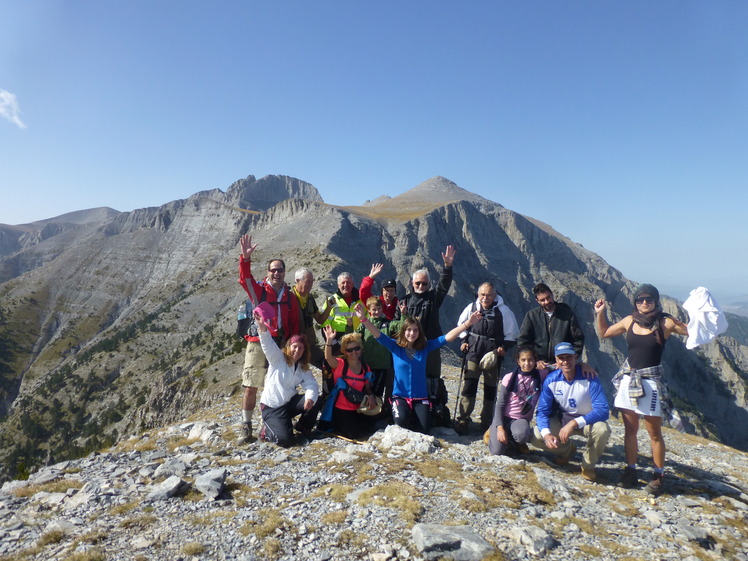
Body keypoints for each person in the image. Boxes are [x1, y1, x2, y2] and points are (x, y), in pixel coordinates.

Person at [594, 284, 689, 496]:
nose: (644, 303)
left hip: (652, 382)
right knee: (630, 430)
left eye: (649, 299)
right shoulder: (630, 320)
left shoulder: (665, 322)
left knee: (654, 432)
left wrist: (703, 316)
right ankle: (631, 470)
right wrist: (600, 313)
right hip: (630, 380)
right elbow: (604, 332)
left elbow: (693, 332)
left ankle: (658, 475)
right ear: (635, 302)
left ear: (656, 301)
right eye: (640, 300)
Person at [355, 302, 481, 434]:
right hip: (400, 397)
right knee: (401, 424)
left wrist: (467, 324)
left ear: (419, 332)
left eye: (415, 330)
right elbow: (377, 334)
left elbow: (446, 338)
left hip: (421, 398)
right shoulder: (395, 347)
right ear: (404, 331)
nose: (412, 333)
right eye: (409, 330)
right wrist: (363, 319)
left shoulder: (425, 347)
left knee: (424, 430)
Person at [236, 234, 302, 444]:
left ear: (284, 273)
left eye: (280, 270)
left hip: (281, 343)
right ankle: (246, 427)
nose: (276, 273)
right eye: (273, 270)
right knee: (251, 384)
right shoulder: (259, 291)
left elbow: (292, 324)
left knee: (280, 384)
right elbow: (244, 279)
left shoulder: (290, 297)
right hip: (257, 342)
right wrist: (245, 259)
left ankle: (276, 421)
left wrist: (293, 345)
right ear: (268, 272)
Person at [531, 342, 610, 482]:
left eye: (569, 357)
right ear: (556, 360)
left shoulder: (589, 377)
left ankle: (587, 465)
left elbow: (603, 410)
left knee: (603, 430)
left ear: (575, 357)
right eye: (561, 358)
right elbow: (542, 411)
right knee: (537, 435)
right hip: (563, 419)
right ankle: (567, 450)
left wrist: (574, 423)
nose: (565, 361)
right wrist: (547, 434)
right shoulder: (551, 380)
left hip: (587, 420)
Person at [394, 245, 456, 425]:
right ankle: (407, 410)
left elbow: (444, 285)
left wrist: (448, 267)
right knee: (411, 379)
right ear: (412, 284)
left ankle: (432, 410)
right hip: (409, 349)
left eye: (424, 283)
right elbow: (397, 325)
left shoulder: (433, 298)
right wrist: (404, 315)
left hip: (430, 348)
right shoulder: (404, 301)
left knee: (432, 379)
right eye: (418, 283)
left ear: (429, 284)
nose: (421, 286)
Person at [455, 282, 519, 434]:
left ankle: (487, 421)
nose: (485, 298)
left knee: (490, 389)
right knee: (469, 386)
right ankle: (463, 419)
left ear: (494, 295)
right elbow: (461, 325)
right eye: (482, 294)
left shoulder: (504, 311)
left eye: (489, 294)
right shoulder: (471, 308)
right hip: (473, 351)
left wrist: (503, 347)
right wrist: (464, 342)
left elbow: (512, 333)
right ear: (478, 294)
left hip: (492, 355)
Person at [254, 309, 319, 447]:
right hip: (272, 406)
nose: (297, 351)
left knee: (315, 399)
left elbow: (312, 385)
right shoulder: (278, 358)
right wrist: (262, 327)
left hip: (288, 404)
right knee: (285, 441)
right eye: (295, 347)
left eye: (301, 348)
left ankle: (303, 426)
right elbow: (267, 344)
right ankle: (266, 429)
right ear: (289, 346)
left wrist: (310, 399)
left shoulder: (302, 367)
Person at [320, 327, 377, 440]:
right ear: (344, 352)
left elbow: (368, 388)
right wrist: (329, 341)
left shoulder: (366, 368)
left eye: (356, 348)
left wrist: (371, 396)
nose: (354, 352)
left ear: (361, 349)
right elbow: (328, 358)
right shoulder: (340, 364)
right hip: (341, 408)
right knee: (353, 434)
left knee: (368, 428)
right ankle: (336, 425)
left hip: (358, 408)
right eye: (349, 350)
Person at [488, 347, 545, 456]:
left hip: (520, 419)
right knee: (496, 452)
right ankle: (493, 430)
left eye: (530, 360)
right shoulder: (509, 377)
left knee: (522, 435)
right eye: (523, 360)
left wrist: (582, 365)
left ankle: (515, 439)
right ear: (518, 361)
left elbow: (562, 366)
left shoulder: (540, 375)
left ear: (535, 361)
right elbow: (500, 404)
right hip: (503, 418)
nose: (527, 363)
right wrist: (500, 428)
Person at [518, 283, 585, 369]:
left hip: (562, 365)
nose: (546, 302)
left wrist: (568, 360)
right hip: (539, 366)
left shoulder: (568, 315)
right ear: (537, 301)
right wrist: (535, 360)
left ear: (552, 295)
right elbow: (523, 342)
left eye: (548, 297)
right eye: (542, 300)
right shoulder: (531, 316)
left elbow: (578, 339)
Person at [320, 272, 363, 392]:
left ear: (353, 284)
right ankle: (328, 402)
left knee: (353, 374)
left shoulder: (360, 300)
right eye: (343, 283)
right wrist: (332, 343)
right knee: (330, 373)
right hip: (335, 340)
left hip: (354, 342)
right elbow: (324, 324)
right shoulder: (331, 300)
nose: (346, 285)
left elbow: (366, 321)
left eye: (348, 282)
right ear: (338, 285)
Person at [356, 296, 402, 406]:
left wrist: (403, 314)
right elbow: (355, 337)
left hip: (382, 365)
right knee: (365, 389)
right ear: (368, 310)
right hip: (366, 365)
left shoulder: (389, 323)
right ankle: (364, 412)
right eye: (374, 309)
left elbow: (402, 327)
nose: (377, 311)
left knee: (377, 391)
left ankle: (375, 413)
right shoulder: (363, 325)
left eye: (379, 308)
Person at [291, 267, 333, 368]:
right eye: (307, 281)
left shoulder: (310, 298)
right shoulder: (289, 297)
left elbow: (320, 320)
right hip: (294, 347)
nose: (310, 285)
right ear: (297, 280)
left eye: (312, 281)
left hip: (309, 345)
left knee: (327, 364)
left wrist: (329, 307)